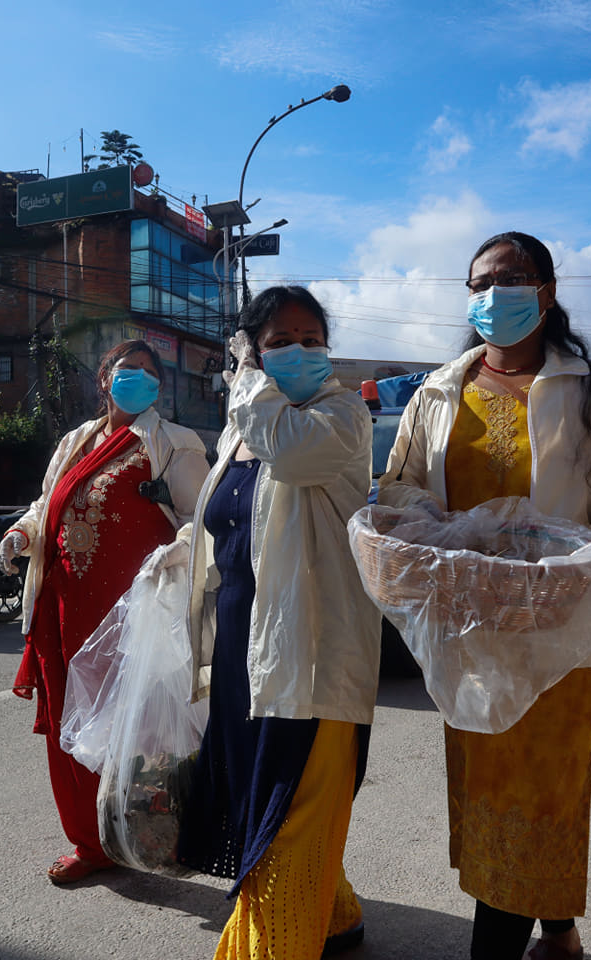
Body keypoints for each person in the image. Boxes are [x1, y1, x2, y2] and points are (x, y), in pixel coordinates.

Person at [377, 231, 591, 960]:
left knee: (546, 792)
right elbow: (398, 485)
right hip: (467, 630)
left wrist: (589, 569)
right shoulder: (437, 392)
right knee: (494, 795)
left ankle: (500, 946)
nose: (489, 296)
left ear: (546, 291)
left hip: (560, 631)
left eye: (507, 279)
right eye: (477, 284)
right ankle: (557, 929)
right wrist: (438, 537)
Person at [176, 286, 380, 959]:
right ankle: (336, 913)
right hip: (243, 646)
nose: (299, 351)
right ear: (254, 349)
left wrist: (247, 377)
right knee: (260, 794)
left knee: (287, 812)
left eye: (311, 339)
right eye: (280, 340)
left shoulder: (340, 417)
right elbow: (228, 523)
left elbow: (287, 455)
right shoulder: (242, 428)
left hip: (310, 649)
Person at [0, 340, 208, 885]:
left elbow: (199, 516)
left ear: (160, 386)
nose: (137, 377)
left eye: (148, 371)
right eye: (127, 369)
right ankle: (90, 842)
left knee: (135, 728)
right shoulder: (76, 441)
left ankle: (143, 835)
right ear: (104, 379)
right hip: (64, 607)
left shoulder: (173, 443)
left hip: (132, 613)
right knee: (70, 723)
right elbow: (48, 504)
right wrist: (22, 532)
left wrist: (176, 553)